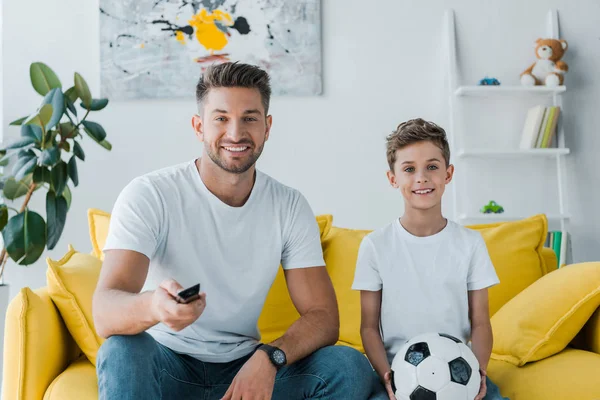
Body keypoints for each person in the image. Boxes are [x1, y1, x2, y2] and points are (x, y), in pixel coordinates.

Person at [92, 62, 374, 400]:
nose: (236, 133)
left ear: (267, 127)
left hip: (246, 369)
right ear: (199, 127)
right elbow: (105, 311)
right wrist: (155, 307)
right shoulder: (150, 194)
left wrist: (270, 357)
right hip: (167, 365)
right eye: (221, 118)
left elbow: (324, 318)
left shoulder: (288, 205)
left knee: (347, 366)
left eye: (249, 118)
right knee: (121, 350)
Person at [352, 119, 509, 400]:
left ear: (448, 174)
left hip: (459, 374)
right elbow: (368, 326)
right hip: (399, 375)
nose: (421, 178)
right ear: (393, 178)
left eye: (432, 167)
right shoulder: (375, 246)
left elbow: (481, 322)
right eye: (409, 169)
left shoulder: (470, 244)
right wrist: (386, 376)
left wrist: (479, 371)